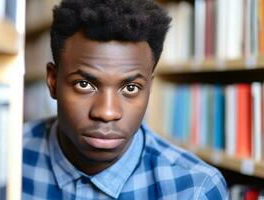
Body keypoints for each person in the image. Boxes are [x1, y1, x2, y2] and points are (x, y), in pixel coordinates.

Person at [22, 0, 228, 199]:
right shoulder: (2, 157)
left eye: (131, 87)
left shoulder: (196, 189)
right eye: (84, 84)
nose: (106, 112)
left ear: (149, 88)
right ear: (52, 81)